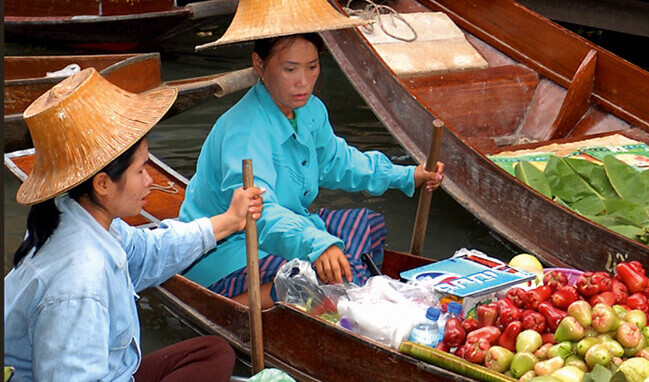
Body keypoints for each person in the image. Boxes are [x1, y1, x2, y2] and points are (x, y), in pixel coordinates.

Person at [4, 68, 264, 382]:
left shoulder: (76, 213)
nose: (150, 182)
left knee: (215, 353)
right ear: (102, 184)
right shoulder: (78, 282)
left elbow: (147, 251)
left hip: (114, 372)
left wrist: (229, 221)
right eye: (141, 170)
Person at [180, 0, 444, 308]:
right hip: (230, 247)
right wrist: (318, 245)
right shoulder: (245, 130)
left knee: (368, 225)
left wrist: (405, 175)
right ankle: (240, 305)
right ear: (259, 64)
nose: (303, 81)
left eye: (312, 67)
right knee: (307, 276)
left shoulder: (310, 111)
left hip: (289, 227)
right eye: (290, 69)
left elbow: (337, 161)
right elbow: (258, 213)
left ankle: (325, 295)